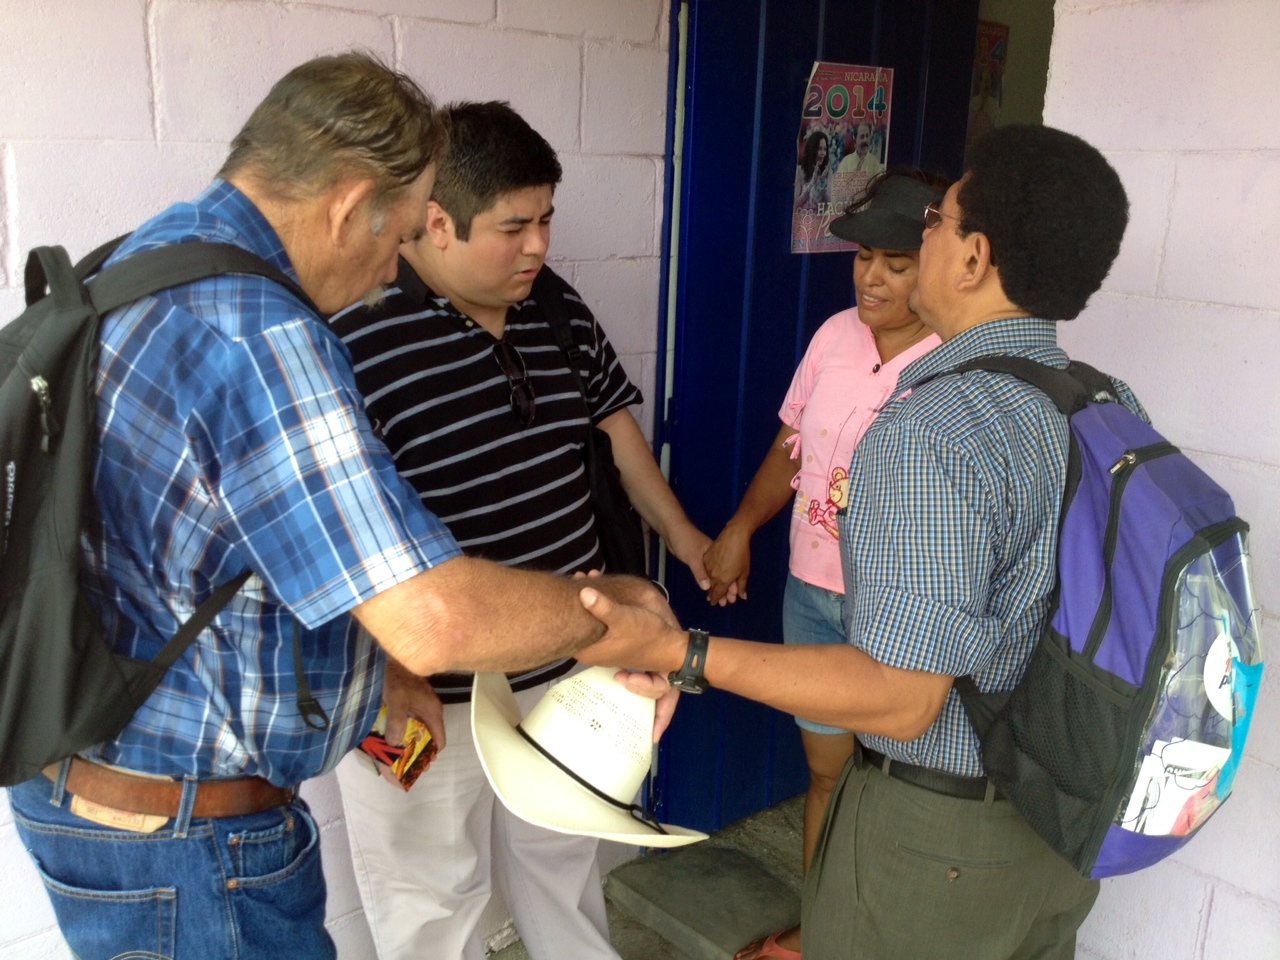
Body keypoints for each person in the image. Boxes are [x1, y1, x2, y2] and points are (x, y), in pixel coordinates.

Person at [7, 54, 671, 960]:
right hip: (191, 843)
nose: (395, 271)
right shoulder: (263, 332)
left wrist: (372, 668)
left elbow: (221, 542)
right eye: (399, 236)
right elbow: (435, 618)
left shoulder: (151, 256)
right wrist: (614, 614)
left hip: (90, 785)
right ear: (350, 205)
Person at [575, 123, 1144, 960]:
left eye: (936, 225)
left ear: (974, 257)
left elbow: (901, 698)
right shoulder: (1099, 397)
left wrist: (680, 652)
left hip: (940, 838)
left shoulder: (936, 428)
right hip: (1058, 821)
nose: (921, 241)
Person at [329, 100, 711, 960]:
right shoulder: (353, 332)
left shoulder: (556, 307)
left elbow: (616, 437)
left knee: (565, 865)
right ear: (436, 222)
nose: (538, 244)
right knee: (432, 903)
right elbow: (332, 531)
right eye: (514, 226)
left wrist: (684, 537)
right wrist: (388, 667)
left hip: (564, 667)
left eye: (546, 218)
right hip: (422, 691)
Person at [704, 170, 946, 960]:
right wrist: (741, 525)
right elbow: (791, 446)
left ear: (940, 264)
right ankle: (822, 932)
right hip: (813, 595)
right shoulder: (833, 337)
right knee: (829, 779)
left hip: (898, 616)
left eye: (898, 263)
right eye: (864, 257)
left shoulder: (957, 367)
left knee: (906, 794)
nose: (872, 276)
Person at [793, 130, 831, 212]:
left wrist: (822, 183)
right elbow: (795, 204)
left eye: (825, 149)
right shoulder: (800, 170)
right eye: (820, 149)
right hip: (804, 220)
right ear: (812, 149)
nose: (823, 153)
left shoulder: (828, 172)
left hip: (820, 221)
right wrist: (811, 184)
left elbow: (828, 205)